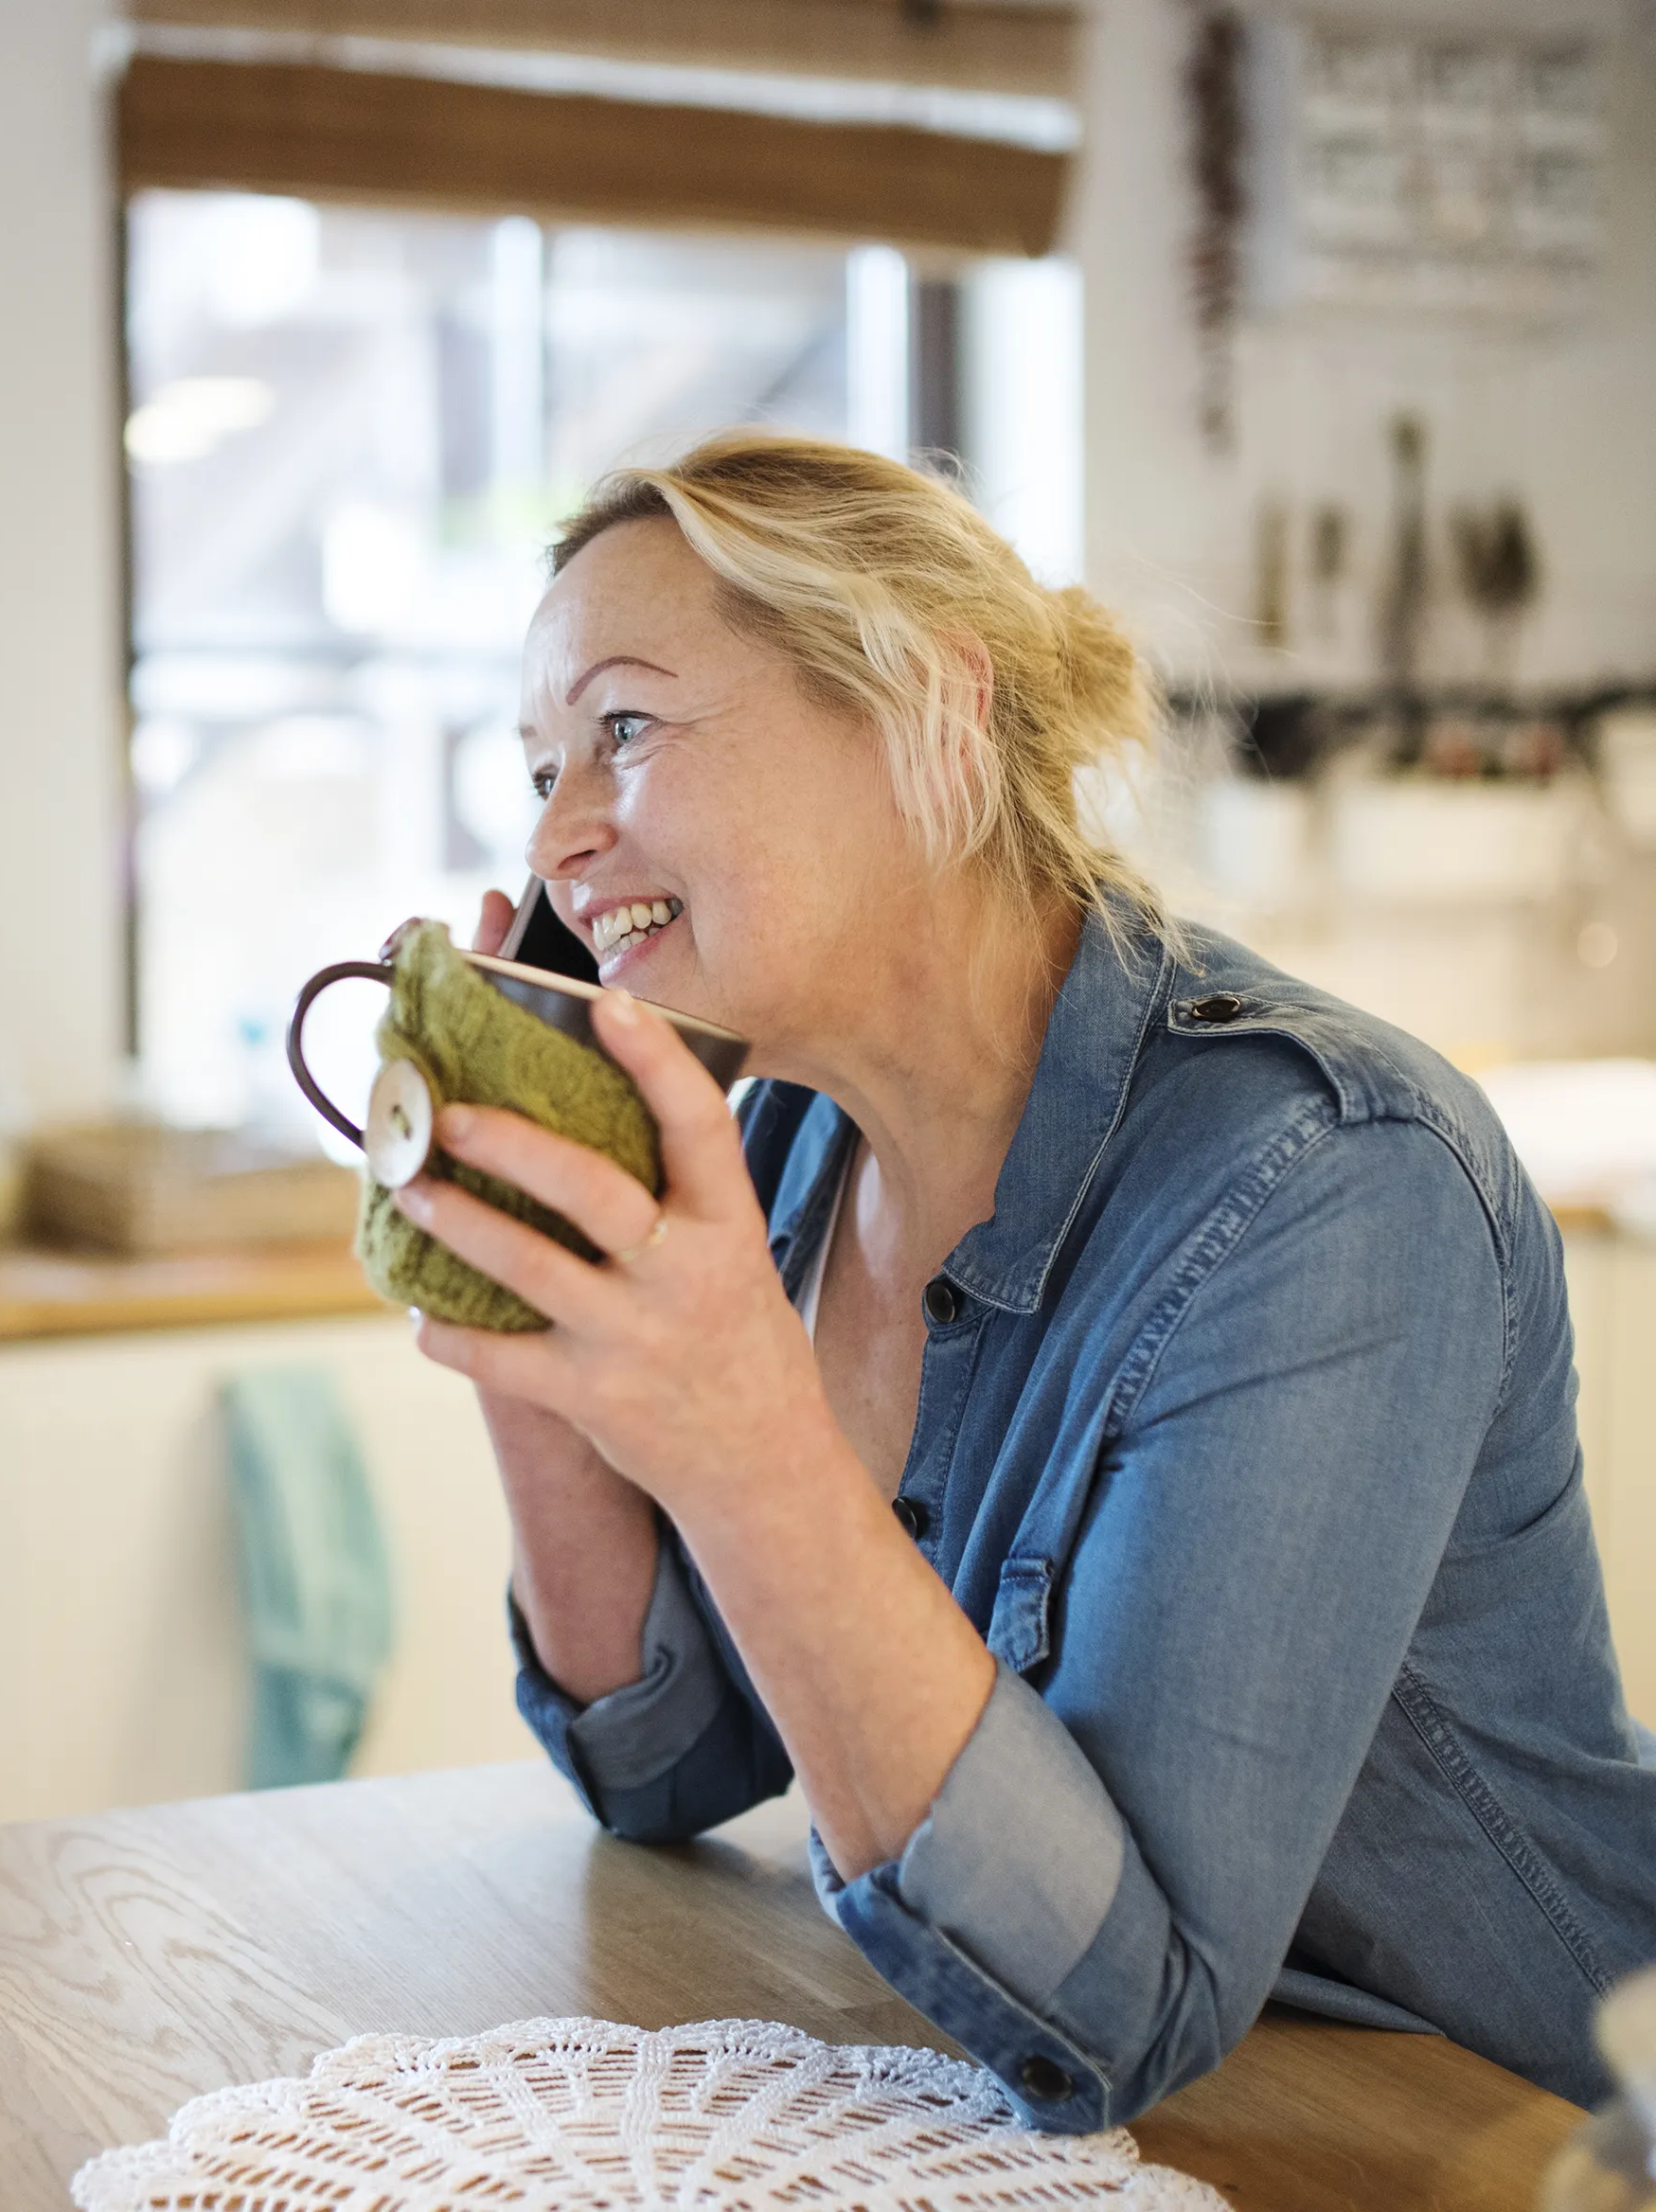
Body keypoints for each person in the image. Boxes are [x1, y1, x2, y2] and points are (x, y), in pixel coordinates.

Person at [392, 430, 1656, 2129]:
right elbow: (664, 1761)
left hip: (1499, 2128)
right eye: (538, 764)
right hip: (1141, 2121)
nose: (556, 838)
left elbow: (1124, 2003)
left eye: (621, 729)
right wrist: (528, 1309)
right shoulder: (777, 1141)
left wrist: (742, 1437)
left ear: (929, 712)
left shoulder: (1332, 1180)